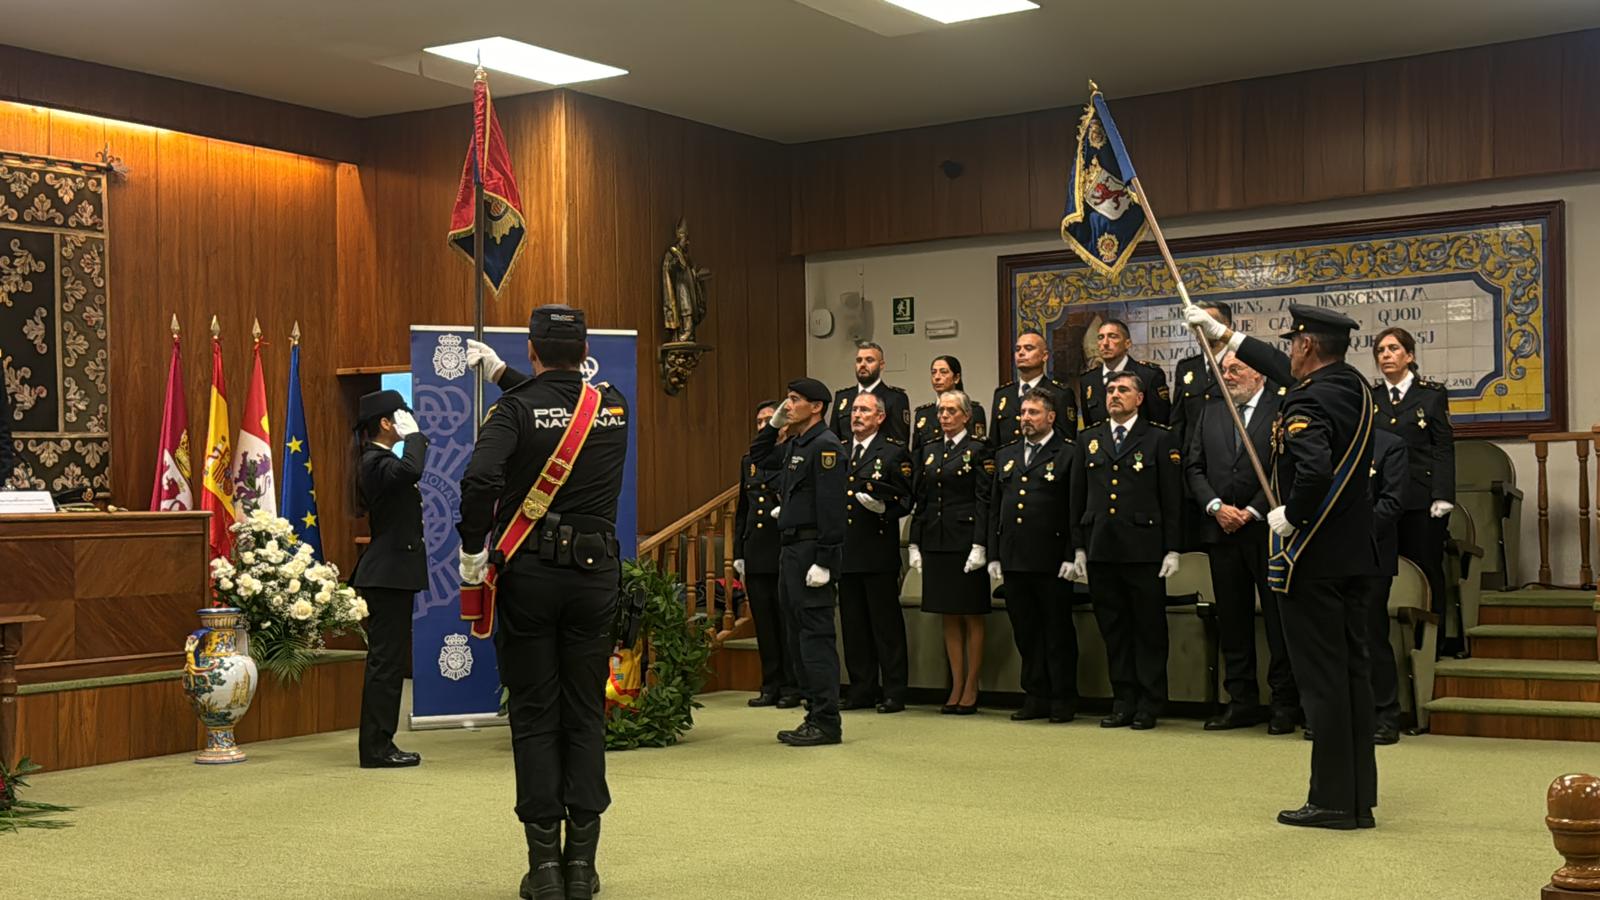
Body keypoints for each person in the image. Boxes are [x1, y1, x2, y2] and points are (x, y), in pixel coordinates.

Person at [1186, 301, 1380, 831]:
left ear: (1308, 346)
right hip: (1352, 556)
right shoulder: (1350, 386)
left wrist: (1290, 516)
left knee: (1322, 683)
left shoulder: (1310, 401)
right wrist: (1226, 335)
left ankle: (1334, 802)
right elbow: (1278, 369)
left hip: (1313, 559)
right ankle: (1355, 796)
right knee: (1349, 677)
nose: (1289, 352)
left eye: (1294, 343)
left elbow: (1313, 470)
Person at [458, 305, 630, 898]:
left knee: (534, 717)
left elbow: (480, 479)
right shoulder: (612, 405)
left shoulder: (512, 411)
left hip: (530, 575)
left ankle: (546, 871)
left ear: (532, 350)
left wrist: (471, 548)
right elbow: (562, 406)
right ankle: (582, 867)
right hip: (594, 577)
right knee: (584, 713)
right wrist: (508, 375)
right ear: (584, 350)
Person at [1185, 352, 1299, 734]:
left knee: (1277, 620)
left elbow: (1285, 466)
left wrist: (1250, 511)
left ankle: (1283, 703)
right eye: (1224, 370)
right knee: (1232, 620)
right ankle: (1241, 701)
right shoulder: (1211, 412)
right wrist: (1216, 506)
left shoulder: (1280, 409)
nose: (1228, 375)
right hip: (1220, 530)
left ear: (1258, 373)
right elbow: (1194, 466)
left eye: (1235, 369)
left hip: (1265, 530)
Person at [1073, 371, 1183, 730]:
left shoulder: (1159, 438)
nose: (1114, 395)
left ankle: (1150, 701)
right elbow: (1077, 498)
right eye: (1110, 390)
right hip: (1102, 547)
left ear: (1139, 398)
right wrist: (1078, 548)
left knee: (1149, 629)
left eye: (1123, 390)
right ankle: (1123, 699)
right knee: (1114, 628)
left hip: (1145, 548)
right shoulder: (1088, 439)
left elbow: (1172, 498)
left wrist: (1173, 549)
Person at [748, 377, 847, 747]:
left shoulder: (826, 447)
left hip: (811, 552)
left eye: (794, 400)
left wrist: (825, 559)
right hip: (790, 551)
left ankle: (826, 720)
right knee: (798, 638)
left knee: (815, 638)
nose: (787, 406)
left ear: (817, 406)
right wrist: (774, 425)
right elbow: (759, 458)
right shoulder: (798, 443)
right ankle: (813, 714)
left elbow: (832, 509)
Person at [982, 389, 1084, 723]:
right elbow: (996, 507)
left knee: (1056, 632)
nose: (1025, 418)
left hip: (1053, 558)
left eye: (1033, 413)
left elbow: (1074, 507)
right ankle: (1035, 694)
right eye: (1023, 413)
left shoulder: (1068, 453)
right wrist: (994, 554)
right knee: (1025, 631)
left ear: (1051, 417)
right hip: (1015, 558)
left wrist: (1074, 552)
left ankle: (1062, 697)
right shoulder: (1006, 454)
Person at [348, 389, 427, 771]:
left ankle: (380, 743)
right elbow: (412, 470)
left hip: (393, 573)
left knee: (390, 662)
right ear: (385, 422)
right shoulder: (374, 461)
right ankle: (377, 749)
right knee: (386, 663)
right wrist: (414, 439)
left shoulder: (379, 460)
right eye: (402, 415)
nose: (408, 420)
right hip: (388, 575)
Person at [1372, 327, 1457, 654]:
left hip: (1422, 498)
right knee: (1383, 572)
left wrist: (1443, 494)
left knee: (1427, 568)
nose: (1386, 355)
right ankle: (1394, 643)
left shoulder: (1431, 394)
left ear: (1410, 355)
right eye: (1380, 350)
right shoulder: (1372, 397)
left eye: (1393, 349)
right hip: (1383, 499)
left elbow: (1443, 448)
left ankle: (1437, 642)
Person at [908, 389, 993, 715]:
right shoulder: (929, 451)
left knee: (971, 613)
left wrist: (980, 544)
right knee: (948, 614)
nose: (943, 416)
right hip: (937, 540)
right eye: (941, 411)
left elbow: (984, 499)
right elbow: (922, 499)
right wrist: (915, 542)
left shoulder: (979, 450)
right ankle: (956, 684)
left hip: (966, 540)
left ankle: (972, 684)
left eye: (951, 411)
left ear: (966, 416)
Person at [837, 392, 913, 713]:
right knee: (853, 626)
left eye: (864, 410)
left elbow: (907, 500)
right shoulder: (840, 452)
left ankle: (894, 690)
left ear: (880, 417)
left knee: (885, 627)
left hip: (877, 551)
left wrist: (884, 508)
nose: (857, 415)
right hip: (846, 551)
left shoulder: (893, 452)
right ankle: (861, 688)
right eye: (854, 410)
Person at [734, 400, 800, 709]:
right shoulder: (749, 460)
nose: (764, 426)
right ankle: (770, 683)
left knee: (785, 621)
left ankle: (791, 685)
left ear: (784, 424)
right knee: (764, 624)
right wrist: (738, 552)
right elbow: (742, 510)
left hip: (782, 546)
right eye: (759, 421)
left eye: (768, 420)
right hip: (756, 549)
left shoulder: (793, 454)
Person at [1170, 301, 1233, 550]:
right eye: (1196, 326)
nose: (1200, 331)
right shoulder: (1188, 368)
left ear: (1226, 327)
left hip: (1228, 469)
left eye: (1206, 325)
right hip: (1194, 473)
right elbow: (1178, 421)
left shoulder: (1243, 364)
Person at [1368, 429, 1408, 746]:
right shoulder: (1322, 441)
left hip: (1371, 555)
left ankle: (1385, 716)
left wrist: (1348, 531)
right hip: (1325, 556)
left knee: (1371, 635)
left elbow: (1392, 502)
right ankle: (1338, 717)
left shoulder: (1388, 445)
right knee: (1332, 640)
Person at [1079, 319, 1171, 427]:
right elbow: (1089, 427)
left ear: (1127, 343)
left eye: (1112, 336)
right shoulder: (1089, 380)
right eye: (1101, 337)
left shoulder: (1148, 375)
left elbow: (1161, 423)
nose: (1105, 343)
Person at [991, 330, 1074, 445]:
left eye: (1028, 348)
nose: (1021, 353)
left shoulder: (1060, 394)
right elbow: (994, 443)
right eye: (1018, 349)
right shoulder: (1003, 394)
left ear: (1044, 356)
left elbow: (1066, 441)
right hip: (1009, 461)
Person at [830, 342, 910, 444]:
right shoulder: (843, 397)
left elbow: (900, 443)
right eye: (859, 360)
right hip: (846, 458)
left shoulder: (895, 398)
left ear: (881, 365)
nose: (862, 364)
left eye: (869, 360)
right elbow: (833, 440)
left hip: (880, 458)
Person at [912, 355, 987, 453]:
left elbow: (979, 448)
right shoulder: (923, 414)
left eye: (943, 372)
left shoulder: (974, 410)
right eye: (933, 373)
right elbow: (916, 453)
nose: (937, 377)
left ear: (956, 378)